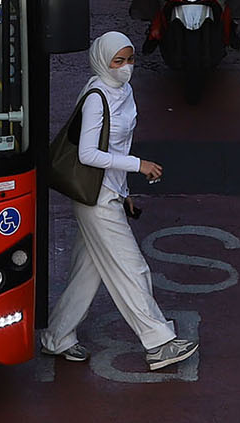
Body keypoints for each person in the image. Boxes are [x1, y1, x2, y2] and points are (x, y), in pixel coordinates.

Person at [39, 32, 198, 372]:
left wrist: (124, 192)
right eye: (118, 61)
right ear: (102, 62)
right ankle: (159, 342)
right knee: (132, 268)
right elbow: (88, 154)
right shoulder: (97, 97)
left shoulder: (123, 91)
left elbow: (117, 147)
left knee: (87, 272)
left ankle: (57, 337)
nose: (126, 67)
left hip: (108, 193)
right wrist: (138, 166)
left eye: (130, 60)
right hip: (96, 198)